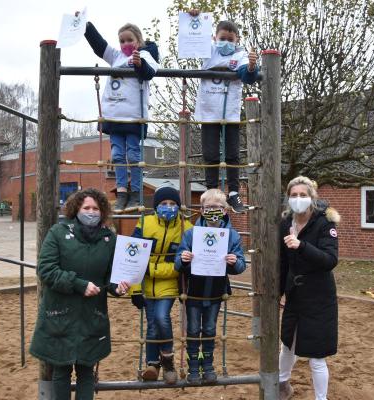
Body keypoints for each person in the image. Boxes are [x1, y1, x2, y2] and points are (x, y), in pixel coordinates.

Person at [30, 188, 130, 400]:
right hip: (61, 312)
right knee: (62, 369)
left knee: (86, 370)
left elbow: (111, 275)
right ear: (76, 209)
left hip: (92, 314)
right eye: (86, 208)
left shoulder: (109, 239)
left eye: (95, 208)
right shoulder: (58, 233)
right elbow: (46, 269)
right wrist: (78, 284)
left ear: (102, 211)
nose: (91, 212)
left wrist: (117, 287)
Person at [82, 15, 159, 211]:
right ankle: (122, 192)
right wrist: (85, 26)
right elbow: (100, 46)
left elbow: (150, 73)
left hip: (133, 117)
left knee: (133, 155)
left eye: (129, 40)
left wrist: (139, 64)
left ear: (138, 41)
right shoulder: (117, 57)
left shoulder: (144, 55)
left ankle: (136, 192)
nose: (125, 44)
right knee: (117, 155)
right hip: (114, 116)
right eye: (122, 40)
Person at [189, 10, 260, 213]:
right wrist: (195, 19)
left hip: (229, 114)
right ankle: (212, 191)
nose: (226, 42)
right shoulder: (209, 51)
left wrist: (253, 66)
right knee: (210, 154)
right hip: (209, 112)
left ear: (237, 40)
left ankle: (234, 192)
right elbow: (191, 41)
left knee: (232, 154)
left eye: (231, 39)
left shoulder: (240, 55)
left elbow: (246, 75)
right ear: (214, 38)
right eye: (222, 38)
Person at [175, 188, 246, 383]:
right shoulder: (191, 234)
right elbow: (178, 263)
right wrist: (184, 259)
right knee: (192, 329)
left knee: (209, 329)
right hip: (193, 292)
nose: (212, 211)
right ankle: (193, 367)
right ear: (202, 210)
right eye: (207, 207)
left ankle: (208, 364)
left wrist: (234, 262)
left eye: (216, 207)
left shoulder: (231, 235)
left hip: (216, 291)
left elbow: (240, 265)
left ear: (224, 210)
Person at [279, 176, 340, 400]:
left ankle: (320, 398)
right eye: (294, 195)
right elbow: (283, 262)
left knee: (316, 355)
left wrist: (301, 245)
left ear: (312, 197)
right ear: (288, 198)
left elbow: (330, 260)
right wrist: (279, 292)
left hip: (319, 298)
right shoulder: (285, 223)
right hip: (295, 295)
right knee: (287, 344)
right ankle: (281, 384)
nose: (298, 199)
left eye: (303, 195)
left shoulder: (325, 223)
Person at [129, 186, 193, 383]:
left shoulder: (186, 228)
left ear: (179, 206)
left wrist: (151, 269)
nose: (168, 207)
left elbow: (180, 265)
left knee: (161, 318)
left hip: (168, 285)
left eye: (173, 204)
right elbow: (132, 257)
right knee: (152, 326)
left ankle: (167, 360)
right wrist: (135, 289)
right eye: (164, 204)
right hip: (146, 284)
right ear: (156, 206)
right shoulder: (144, 223)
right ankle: (152, 365)